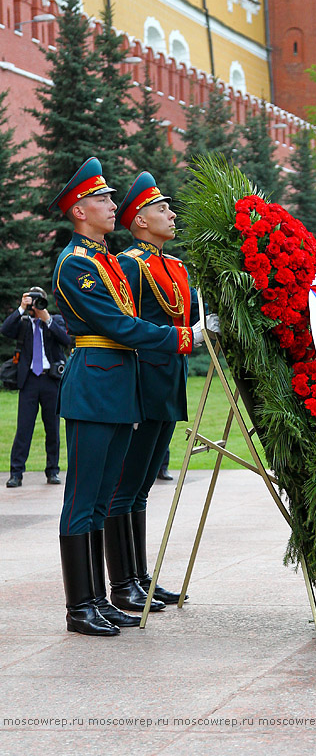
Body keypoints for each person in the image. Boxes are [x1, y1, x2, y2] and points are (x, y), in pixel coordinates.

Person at [49, 157, 204, 637]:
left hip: (117, 387)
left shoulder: (104, 262)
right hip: (95, 386)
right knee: (82, 498)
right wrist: (186, 338)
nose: (112, 205)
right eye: (103, 199)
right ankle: (80, 607)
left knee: (100, 499)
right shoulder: (76, 265)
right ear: (79, 210)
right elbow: (118, 326)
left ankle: (99, 598)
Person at [106, 171, 208, 605]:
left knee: (144, 484)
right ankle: (124, 583)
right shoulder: (130, 263)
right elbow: (127, 326)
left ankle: (140, 577)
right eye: (161, 208)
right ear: (140, 221)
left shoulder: (176, 266)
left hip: (168, 382)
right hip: (141, 383)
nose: (170, 214)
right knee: (125, 485)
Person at [1, 287, 71, 487]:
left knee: (53, 429)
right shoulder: (22, 323)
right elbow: (5, 330)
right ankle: (16, 473)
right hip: (29, 380)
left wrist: (46, 318)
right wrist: (21, 308)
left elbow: (66, 340)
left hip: (50, 381)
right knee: (24, 428)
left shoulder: (54, 320)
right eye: (32, 301)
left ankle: (53, 471)